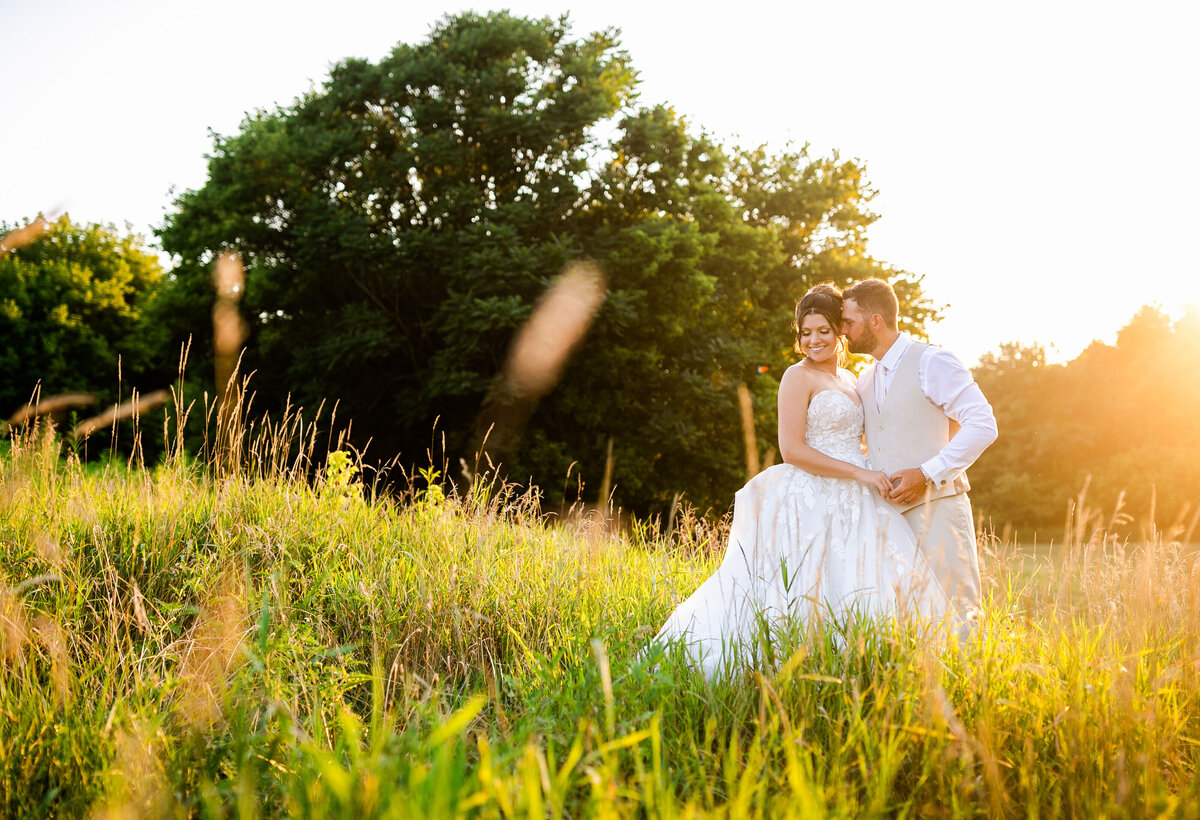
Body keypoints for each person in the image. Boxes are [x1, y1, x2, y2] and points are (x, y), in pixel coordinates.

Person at [651, 284, 948, 677]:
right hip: (811, 493)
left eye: (823, 330)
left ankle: (863, 667)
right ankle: (786, 665)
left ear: (840, 331)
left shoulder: (853, 379)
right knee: (801, 584)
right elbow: (792, 449)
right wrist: (862, 472)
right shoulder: (796, 376)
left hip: (858, 497)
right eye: (805, 333)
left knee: (860, 579)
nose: (814, 340)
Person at [840, 278, 998, 639]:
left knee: (958, 615)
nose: (843, 331)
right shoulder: (864, 379)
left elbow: (983, 424)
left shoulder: (932, 361)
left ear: (875, 321)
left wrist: (927, 473)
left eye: (848, 322)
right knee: (910, 623)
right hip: (887, 521)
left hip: (938, 510)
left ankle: (971, 693)